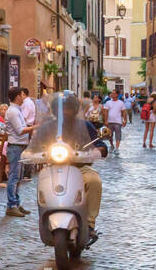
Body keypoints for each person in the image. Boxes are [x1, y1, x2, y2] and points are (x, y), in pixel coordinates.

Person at [26, 93, 103, 243]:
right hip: (53, 168)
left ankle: (89, 223)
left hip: (79, 168)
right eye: (61, 109)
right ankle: (45, 217)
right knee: (42, 183)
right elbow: (33, 146)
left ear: (75, 109)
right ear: (55, 110)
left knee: (94, 181)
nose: (65, 112)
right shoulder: (47, 127)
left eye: (68, 108)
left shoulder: (85, 126)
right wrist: (29, 152)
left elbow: (99, 144)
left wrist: (98, 150)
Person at [3, 86, 31, 217]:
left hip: (19, 146)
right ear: (18, 96)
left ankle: (17, 203)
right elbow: (20, 130)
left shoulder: (17, 110)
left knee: (18, 177)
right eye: (22, 95)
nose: (24, 97)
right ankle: (12, 205)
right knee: (14, 177)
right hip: (15, 147)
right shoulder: (13, 111)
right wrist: (35, 127)